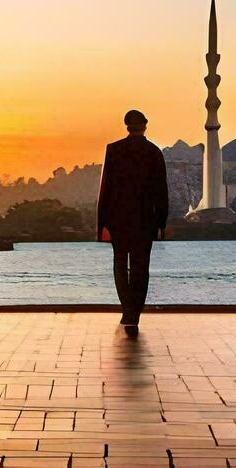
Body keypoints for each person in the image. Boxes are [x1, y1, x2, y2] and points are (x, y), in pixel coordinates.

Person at [96, 109, 169, 328]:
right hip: (144, 220)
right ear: (145, 125)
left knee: (120, 264)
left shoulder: (114, 150)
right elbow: (161, 191)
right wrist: (161, 222)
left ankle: (126, 307)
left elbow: (106, 188)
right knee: (140, 266)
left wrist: (103, 220)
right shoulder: (154, 152)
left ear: (126, 125)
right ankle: (134, 311)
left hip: (118, 219)